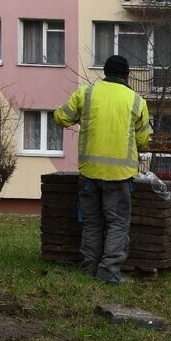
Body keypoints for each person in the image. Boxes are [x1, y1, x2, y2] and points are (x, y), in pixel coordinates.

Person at [54, 55, 151, 284]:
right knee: (117, 223)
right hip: (119, 176)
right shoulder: (136, 101)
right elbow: (144, 140)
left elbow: (60, 118)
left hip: (89, 173)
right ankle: (108, 271)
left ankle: (89, 268)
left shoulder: (86, 94)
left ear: (105, 72)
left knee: (92, 222)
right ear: (127, 75)